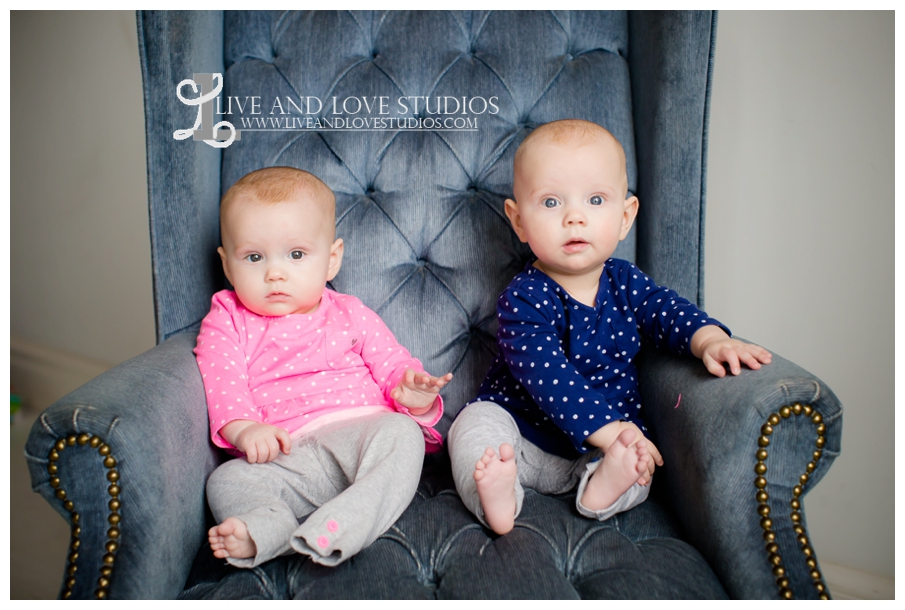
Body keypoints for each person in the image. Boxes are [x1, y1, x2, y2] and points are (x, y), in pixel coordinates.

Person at [448, 119, 772, 535]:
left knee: (638, 459)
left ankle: (601, 491)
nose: (574, 218)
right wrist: (610, 429)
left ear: (625, 215)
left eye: (596, 200)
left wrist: (709, 339)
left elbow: (666, 310)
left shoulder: (627, 282)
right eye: (550, 203)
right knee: (472, 425)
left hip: (598, 453)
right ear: (518, 221)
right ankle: (495, 497)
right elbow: (548, 375)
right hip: (521, 439)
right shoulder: (523, 298)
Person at [195, 166, 453, 567]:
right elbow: (222, 382)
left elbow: (392, 363)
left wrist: (411, 392)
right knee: (225, 481)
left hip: (359, 436)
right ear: (228, 266)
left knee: (403, 434)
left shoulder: (350, 312)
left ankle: (342, 525)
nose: (274, 272)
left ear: (331, 260)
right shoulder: (227, 317)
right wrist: (246, 429)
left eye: (296, 254)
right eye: (254, 257)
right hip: (286, 455)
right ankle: (270, 528)